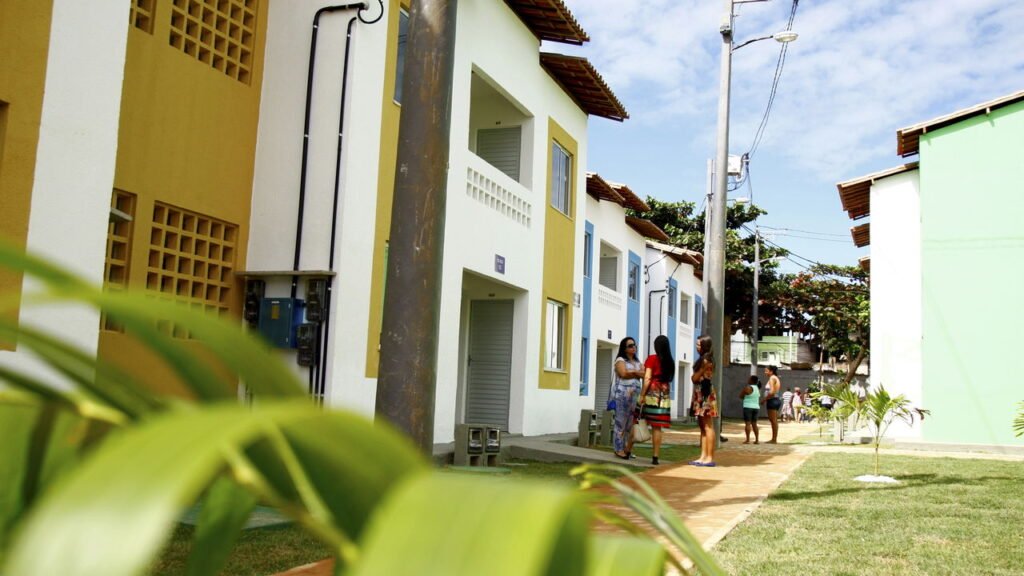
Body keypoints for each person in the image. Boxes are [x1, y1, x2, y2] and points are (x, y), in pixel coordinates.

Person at [639, 334, 674, 465]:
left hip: (652, 393)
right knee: (657, 427)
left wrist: (642, 395)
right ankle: (655, 456)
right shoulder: (670, 361)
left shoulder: (652, 359)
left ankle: (627, 450)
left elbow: (647, 378)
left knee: (638, 419)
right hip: (664, 394)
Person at [610, 337, 645, 459]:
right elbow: (623, 373)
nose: (633, 347)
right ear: (624, 348)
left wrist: (633, 372)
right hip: (622, 396)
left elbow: (645, 374)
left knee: (630, 424)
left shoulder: (637, 362)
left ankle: (627, 449)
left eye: (634, 345)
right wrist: (636, 373)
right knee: (620, 423)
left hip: (635, 397)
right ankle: (618, 449)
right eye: (630, 345)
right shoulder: (620, 360)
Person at [689, 335, 717, 466]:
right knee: (702, 426)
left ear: (704, 346)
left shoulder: (706, 360)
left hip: (705, 393)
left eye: (699, 344)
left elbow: (695, 378)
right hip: (700, 392)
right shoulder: (705, 359)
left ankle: (709, 457)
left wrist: (699, 371)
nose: (696, 347)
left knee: (708, 426)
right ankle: (703, 456)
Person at [739, 375, 760, 444]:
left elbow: (741, 396)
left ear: (752, 380)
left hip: (748, 407)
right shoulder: (757, 388)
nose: (748, 380)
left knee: (748, 424)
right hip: (756, 407)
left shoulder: (748, 388)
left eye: (749, 379)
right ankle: (757, 440)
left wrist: (743, 392)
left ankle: (748, 440)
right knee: (754, 424)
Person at [763, 365, 781, 443]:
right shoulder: (775, 378)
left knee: (773, 421)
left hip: (772, 400)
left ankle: (774, 439)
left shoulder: (772, 378)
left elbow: (772, 392)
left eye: (766, 371)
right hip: (775, 400)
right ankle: (774, 438)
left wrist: (764, 400)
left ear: (771, 371)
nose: (765, 372)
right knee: (774, 421)